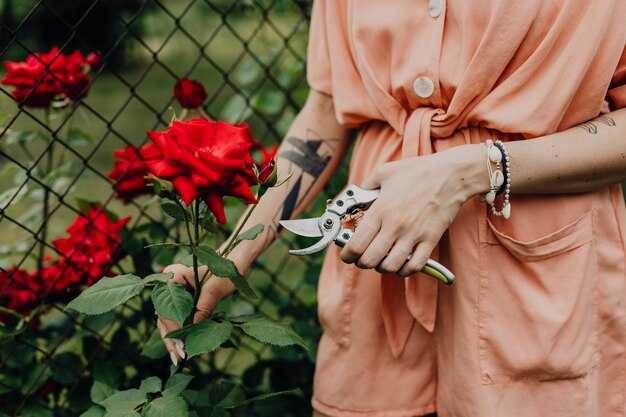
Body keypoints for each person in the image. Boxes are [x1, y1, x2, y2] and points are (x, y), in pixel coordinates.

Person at [158, 1, 626, 416]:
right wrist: (231, 259)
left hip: (535, 278)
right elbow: (325, 113)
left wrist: (470, 171)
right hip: (375, 259)